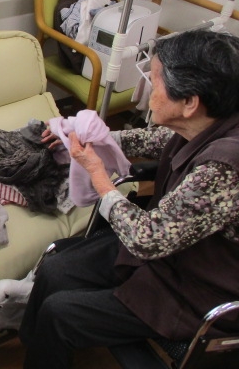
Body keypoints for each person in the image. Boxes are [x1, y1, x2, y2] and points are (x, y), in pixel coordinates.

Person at [19, 29, 239, 369]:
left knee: (59, 313)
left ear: (189, 102)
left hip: (195, 287)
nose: (147, 90)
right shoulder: (206, 122)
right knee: (55, 269)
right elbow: (151, 141)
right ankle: (37, 346)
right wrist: (85, 134)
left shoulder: (224, 167)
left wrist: (98, 174)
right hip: (171, 252)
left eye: (156, 81)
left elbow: (146, 240)